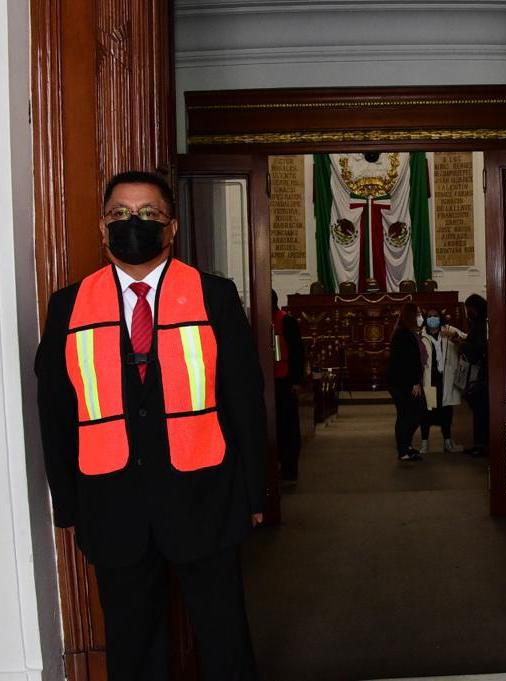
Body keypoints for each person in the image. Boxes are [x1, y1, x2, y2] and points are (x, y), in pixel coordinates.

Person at [35, 170, 266, 681]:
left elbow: (244, 400)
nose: (132, 223)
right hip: (112, 504)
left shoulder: (215, 295)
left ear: (172, 226)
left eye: (147, 214)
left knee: (224, 637)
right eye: (119, 214)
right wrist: (69, 503)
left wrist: (255, 495)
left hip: (205, 497)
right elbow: (55, 411)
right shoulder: (68, 306)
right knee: (133, 644)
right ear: (102, 228)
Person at [419, 308, 466, 454]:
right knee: (427, 412)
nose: (433, 318)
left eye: (436, 316)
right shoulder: (421, 335)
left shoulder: (449, 331)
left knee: (446, 411)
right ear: (426, 319)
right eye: (430, 316)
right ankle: (424, 443)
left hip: (445, 380)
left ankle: (447, 442)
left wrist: (454, 337)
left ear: (441, 318)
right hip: (429, 380)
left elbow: (466, 340)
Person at [272, 289, 306, 483]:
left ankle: (289, 469)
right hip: (270, 381)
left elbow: (297, 352)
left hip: (285, 380)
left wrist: (296, 380)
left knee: (288, 427)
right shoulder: (261, 320)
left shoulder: (286, 320)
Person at [387, 302, 426, 461]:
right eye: (417, 314)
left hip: (404, 382)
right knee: (408, 415)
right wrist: (414, 383)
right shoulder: (403, 334)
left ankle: (406, 446)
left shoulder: (407, 332)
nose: (420, 317)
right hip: (403, 383)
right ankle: (403, 450)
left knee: (413, 414)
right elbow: (407, 362)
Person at [460, 293, 489, 457]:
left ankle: (481, 444)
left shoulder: (480, 324)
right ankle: (480, 443)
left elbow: (476, 350)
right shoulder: (483, 321)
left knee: (480, 411)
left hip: (482, 375)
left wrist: (462, 345)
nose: (467, 312)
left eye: (468, 309)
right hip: (482, 374)